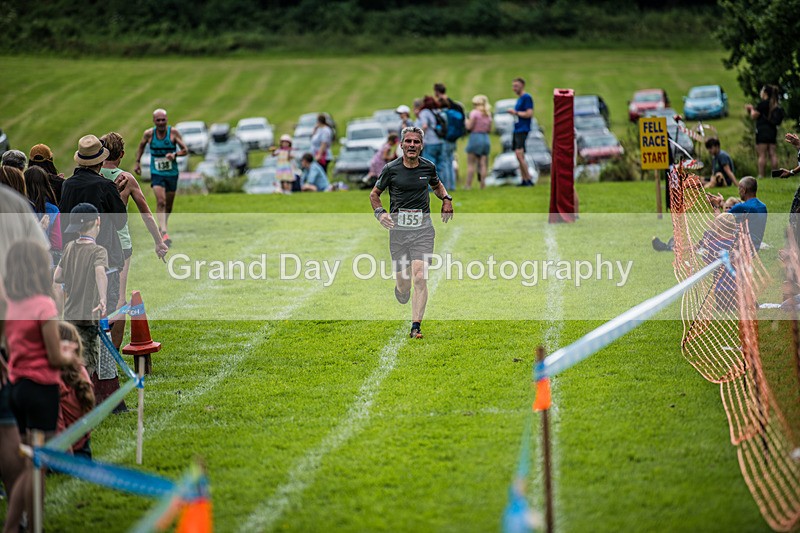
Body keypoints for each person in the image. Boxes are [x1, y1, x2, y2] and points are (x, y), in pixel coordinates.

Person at [2, 240, 77, 532]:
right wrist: (70, 353)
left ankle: (32, 524)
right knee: (37, 465)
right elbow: (54, 357)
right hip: (41, 390)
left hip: (16, 389)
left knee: (29, 462)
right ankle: (15, 525)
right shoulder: (43, 305)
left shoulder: (11, 306)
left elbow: (12, 349)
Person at [369, 126, 454, 339]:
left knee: (420, 276)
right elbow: (374, 195)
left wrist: (446, 199)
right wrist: (380, 213)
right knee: (404, 284)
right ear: (401, 144)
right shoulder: (391, 169)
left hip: (423, 231)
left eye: (416, 142)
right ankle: (400, 290)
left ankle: (416, 326)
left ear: (421, 145)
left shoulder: (428, 167)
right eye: (408, 141)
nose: (412, 145)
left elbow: (437, 185)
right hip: (398, 233)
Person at [100, 132, 168, 347]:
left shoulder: (92, 174)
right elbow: (146, 213)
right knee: (119, 298)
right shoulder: (126, 179)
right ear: (121, 154)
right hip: (120, 244)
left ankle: (98, 349)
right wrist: (159, 242)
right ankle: (114, 352)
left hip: (96, 241)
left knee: (97, 296)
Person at [53, 204, 115, 402]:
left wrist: (74, 273)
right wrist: (103, 297)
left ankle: (69, 397)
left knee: (71, 359)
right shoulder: (98, 251)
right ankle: (80, 403)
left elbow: (57, 277)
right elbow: (100, 272)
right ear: (98, 221)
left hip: (70, 316)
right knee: (87, 362)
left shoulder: (69, 247)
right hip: (88, 317)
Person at [133, 109, 188, 248]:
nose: (161, 122)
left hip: (172, 173)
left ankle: (164, 225)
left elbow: (185, 150)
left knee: (168, 205)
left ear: (167, 120)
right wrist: (137, 162)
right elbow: (141, 146)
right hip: (156, 172)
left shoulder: (173, 133)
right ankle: (163, 232)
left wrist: (174, 155)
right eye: (158, 120)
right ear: (154, 121)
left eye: (163, 120)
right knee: (161, 201)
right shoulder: (149, 134)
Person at [56, 321, 95, 459]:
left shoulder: (55, 380)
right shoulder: (81, 371)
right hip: (84, 445)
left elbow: (58, 424)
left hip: (65, 452)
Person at [709, 176, 767, 251]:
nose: (739, 192)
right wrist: (721, 203)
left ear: (744, 190)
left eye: (739, 189)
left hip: (741, 248)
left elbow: (721, 221)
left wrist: (715, 205)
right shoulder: (762, 207)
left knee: (711, 241)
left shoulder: (741, 207)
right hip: (755, 247)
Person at [24, 166, 62, 266]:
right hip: (44, 262)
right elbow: (56, 244)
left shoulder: (18, 208)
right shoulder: (53, 210)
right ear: (46, 184)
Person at [745, 85, 783, 177]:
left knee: (762, 154)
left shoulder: (763, 104)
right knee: (772, 154)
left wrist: (751, 109)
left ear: (765, 93)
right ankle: (775, 175)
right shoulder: (775, 104)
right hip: (772, 131)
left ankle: (761, 175)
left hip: (762, 131)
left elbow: (754, 115)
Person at [418, 96, 450, 189]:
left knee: (429, 166)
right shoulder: (437, 111)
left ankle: (431, 187)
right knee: (441, 166)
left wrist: (419, 136)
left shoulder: (424, 112)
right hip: (440, 141)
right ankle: (443, 186)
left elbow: (424, 125)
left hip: (430, 142)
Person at [509, 77, 535, 186]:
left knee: (519, 154)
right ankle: (524, 179)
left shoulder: (526, 97)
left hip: (522, 129)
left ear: (522, 86)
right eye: (513, 86)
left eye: (516, 86)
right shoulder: (520, 98)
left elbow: (529, 113)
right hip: (517, 129)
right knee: (519, 155)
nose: (514, 88)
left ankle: (528, 179)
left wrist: (515, 113)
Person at [465, 94, 493, 190]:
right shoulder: (488, 114)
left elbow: (469, 127)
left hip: (475, 137)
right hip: (485, 138)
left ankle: (468, 185)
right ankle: (482, 185)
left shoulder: (474, 113)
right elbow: (489, 129)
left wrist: (466, 121)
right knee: (483, 163)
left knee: (471, 163)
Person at [433, 82, 458, 191]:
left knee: (445, 163)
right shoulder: (452, 107)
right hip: (453, 139)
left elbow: (440, 127)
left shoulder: (442, 113)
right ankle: (452, 185)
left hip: (445, 139)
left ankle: (447, 186)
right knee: (451, 162)